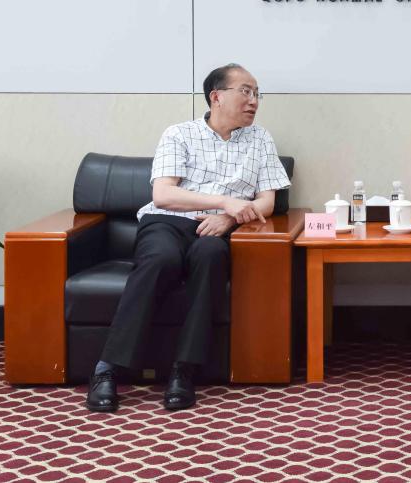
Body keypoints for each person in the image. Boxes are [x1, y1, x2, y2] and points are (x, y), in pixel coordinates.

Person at [86, 63, 290, 412]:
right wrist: (224, 201)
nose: (254, 101)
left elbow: (267, 201)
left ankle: (184, 370)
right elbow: (164, 194)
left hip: (219, 228)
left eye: (257, 94)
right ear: (216, 96)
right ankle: (107, 369)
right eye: (245, 91)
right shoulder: (179, 134)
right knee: (161, 260)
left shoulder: (261, 139)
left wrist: (228, 217)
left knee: (210, 257)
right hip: (167, 222)